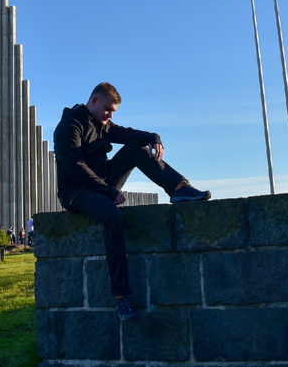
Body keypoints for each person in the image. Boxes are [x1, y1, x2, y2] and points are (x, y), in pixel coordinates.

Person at [54, 81, 211, 321]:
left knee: (136, 148)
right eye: (108, 109)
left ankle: (178, 188)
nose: (110, 115)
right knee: (113, 216)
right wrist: (107, 190)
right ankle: (121, 295)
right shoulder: (70, 125)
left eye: (113, 112)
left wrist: (154, 138)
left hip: (101, 183)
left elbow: (128, 134)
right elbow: (74, 167)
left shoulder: (102, 124)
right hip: (75, 192)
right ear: (93, 101)